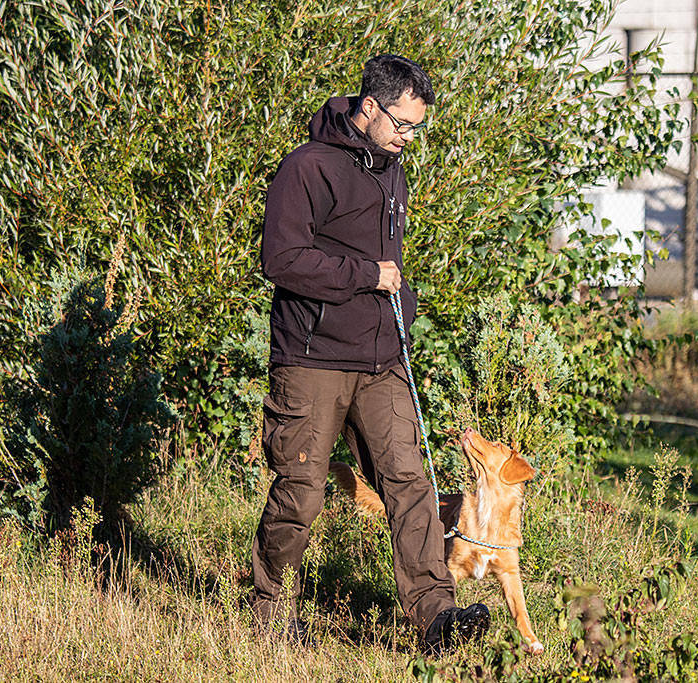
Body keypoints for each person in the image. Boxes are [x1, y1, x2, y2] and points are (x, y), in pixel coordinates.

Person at [253, 54, 489, 653]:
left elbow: (391, 264)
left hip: (381, 361)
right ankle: (268, 610)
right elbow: (281, 261)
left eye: (417, 127)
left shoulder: (392, 169)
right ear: (369, 108)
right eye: (403, 125)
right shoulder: (307, 168)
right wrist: (366, 275)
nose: (409, 138)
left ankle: (436, 618)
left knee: (411, 482)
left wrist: (401, 302)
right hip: (311, 358)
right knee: (301, 491)